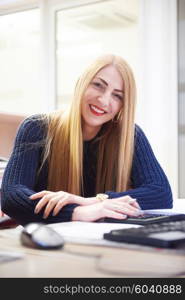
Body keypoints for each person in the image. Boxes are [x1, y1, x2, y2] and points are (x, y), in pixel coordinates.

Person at [1, 54, 173, 226]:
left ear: (123, 105)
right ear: (81, 84)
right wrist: (77, 212)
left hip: (106, 243)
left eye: (117, 95)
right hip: (53, 242)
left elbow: (160, 193)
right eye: (98, 85)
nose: (104, 100)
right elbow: (11, 196)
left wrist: (93, 201)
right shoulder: (37, 128)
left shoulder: (129, 136)